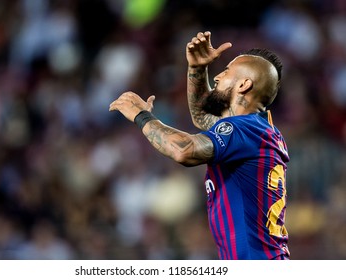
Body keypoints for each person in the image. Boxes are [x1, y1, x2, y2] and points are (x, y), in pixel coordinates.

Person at [109, 31, 290, 260]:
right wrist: (196, 68)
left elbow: (184, 150)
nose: (217, 77)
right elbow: (203, 117)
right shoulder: (258, 131)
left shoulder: (244, 129)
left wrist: (141, 116)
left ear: (244, 84)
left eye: (225, 72)